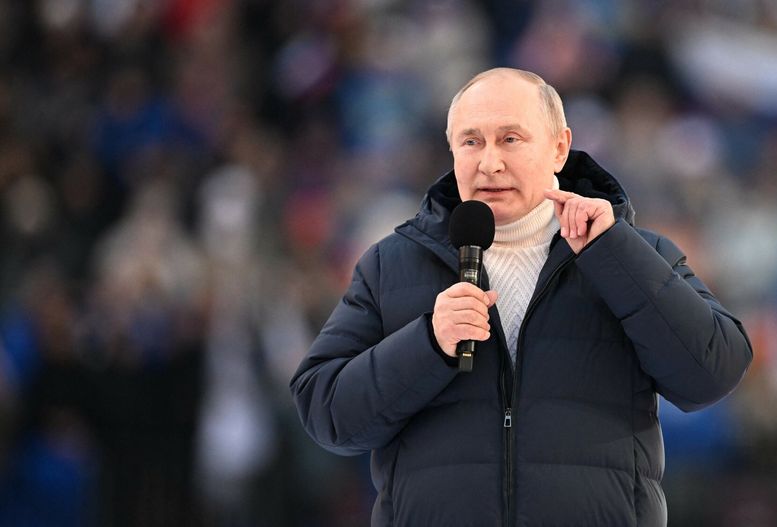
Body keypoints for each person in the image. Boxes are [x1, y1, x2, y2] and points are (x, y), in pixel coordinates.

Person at [291, 67, 752, 526]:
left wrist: (615, 255)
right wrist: (427, 343)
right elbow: (326, 414)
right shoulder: (390, 264)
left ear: (559, 148)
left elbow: (712, 373)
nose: (490, 162)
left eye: (510, 139)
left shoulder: (633, 253)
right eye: (471, 141)